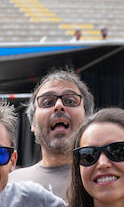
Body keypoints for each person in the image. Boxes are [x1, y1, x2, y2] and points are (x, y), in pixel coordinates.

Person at [11, 68, 94, 199]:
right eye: (48, 102)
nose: (59, 105)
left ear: (87, 119)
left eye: (70, 101)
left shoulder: (101, 178)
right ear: (32, 124)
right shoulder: (11, 185)